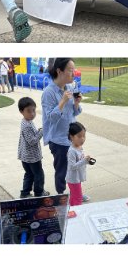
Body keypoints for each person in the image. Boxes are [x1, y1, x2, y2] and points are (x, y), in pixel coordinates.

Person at [42, 58, 83, 194]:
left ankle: (75, 193)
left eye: (74, 70)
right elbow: (50, 118)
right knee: (62, 171)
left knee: (74, 169)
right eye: (70, 70)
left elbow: (75, 112)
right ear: (59, 71)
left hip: (72, 139)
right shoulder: (49, 92)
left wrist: (76, 103)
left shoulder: (70, 87)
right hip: (58, 140)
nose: (74, 73)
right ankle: (62, 196)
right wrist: (63, 101)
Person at [18, 96, 48, 198]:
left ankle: (25, 193)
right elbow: (32, 141)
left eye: (34, 111)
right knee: (39, 174)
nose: (32, 114)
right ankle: (39, 193)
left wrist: (38, 131)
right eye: (29, 111)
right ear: (21, 111)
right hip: (32, 157)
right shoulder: (26, 125)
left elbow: (31, 136)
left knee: (29, 174)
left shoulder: (26, 121)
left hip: (25, 156)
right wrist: (42, 132)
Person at [66, 122, 92, 207]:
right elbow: (72, 166)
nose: (82, 139)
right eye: (79, 136)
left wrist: (87, 161)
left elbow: (81, 161)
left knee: (74, 196)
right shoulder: (72, 151)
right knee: (77, 199)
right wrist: (84, 161)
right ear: (71, 137)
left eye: (84, 136)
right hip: (73, 179)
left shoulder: (79, 147)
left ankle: (71, 210)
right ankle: (78, 213)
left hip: (77, 177)